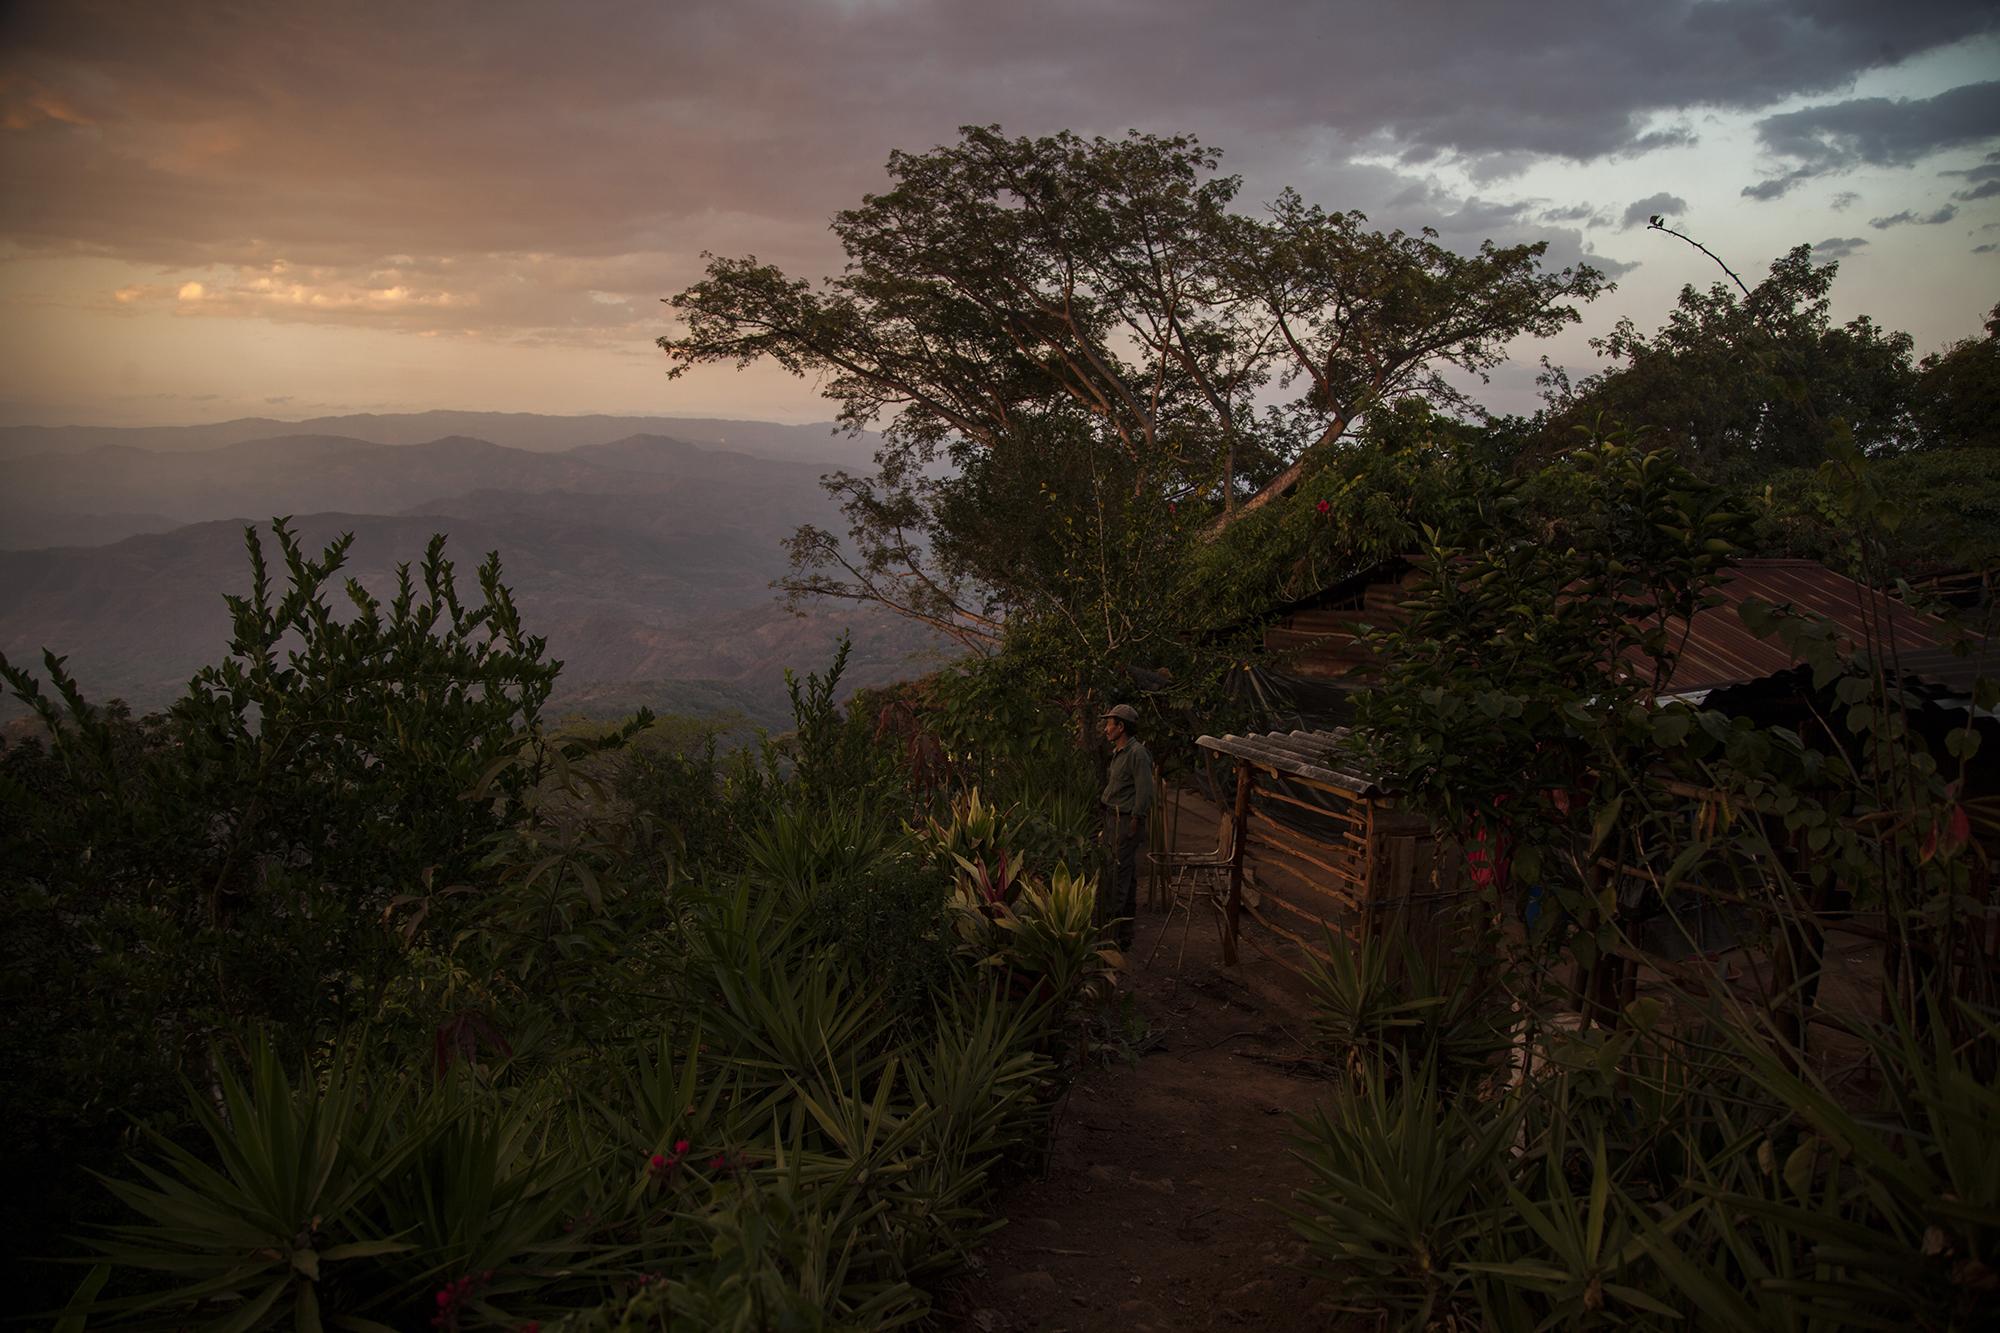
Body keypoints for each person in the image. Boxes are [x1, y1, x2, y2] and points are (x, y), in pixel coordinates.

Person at [1098, 703, 1153, 951]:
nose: (1106, 728)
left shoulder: (1137, 754)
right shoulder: (1118, 752)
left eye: (1109, 724)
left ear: (1121, 727)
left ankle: (1114, 933)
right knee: (1125, 877)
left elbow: (1144, 791)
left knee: (1118, 876)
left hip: (1125, 821)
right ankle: (1125, 932)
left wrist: (1135, 821)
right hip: (1112, 818)